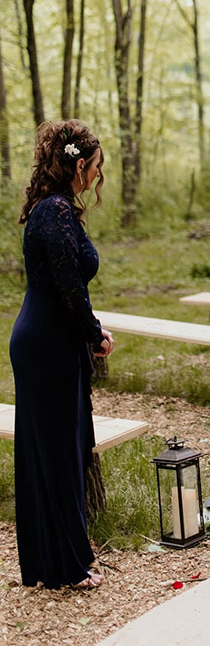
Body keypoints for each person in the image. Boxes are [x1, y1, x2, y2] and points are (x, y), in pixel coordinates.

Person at [10, 121, 114, 589]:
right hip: (45, 345)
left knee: (60, 448)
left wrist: (90, 330)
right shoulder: (54, 212)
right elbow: (70, 288)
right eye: (94, 168)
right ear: (78, 165)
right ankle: (66, 566)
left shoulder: (55, 209)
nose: (96, 176)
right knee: (55, 454)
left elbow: (65, 286)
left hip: (53, 337)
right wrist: (94, 334)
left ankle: (55, 559)